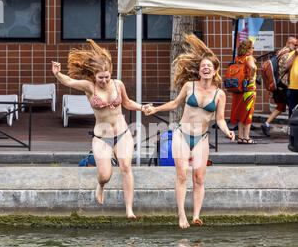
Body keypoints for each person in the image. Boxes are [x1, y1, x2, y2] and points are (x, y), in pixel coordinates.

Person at [144, 34, 235, 229]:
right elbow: (175, 104)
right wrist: (156, 109)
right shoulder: (189, 86)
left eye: (209, 66)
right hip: (182, 135)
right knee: (182, 175)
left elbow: (219, 119)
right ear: (199, 70)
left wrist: (227, 131)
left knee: (199, 177)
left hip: (201, 138)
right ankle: (181, 214)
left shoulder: (219, 94)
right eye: (203, 66)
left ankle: (196, 215)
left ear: (215, 71)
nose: (206, 68)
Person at [51, 39, 146, 220]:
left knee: (126, 167)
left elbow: (127, 103)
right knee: (105, 175)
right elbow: (69, 81)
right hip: (102, 137)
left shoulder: (118, 85)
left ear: (111, 74)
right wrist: (57, 74)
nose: (103, 81)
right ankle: (100, 186)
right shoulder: (89, 87)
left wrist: (142, 107)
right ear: (94, 76)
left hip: (122, 133)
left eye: (107, 77)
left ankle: (129, 210)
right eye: (100, 77)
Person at [261, 36, 297, 136]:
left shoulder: (280, 52)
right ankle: (292, 129)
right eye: (294, 44)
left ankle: (266, 124)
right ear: (289, 43)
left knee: (281, 107)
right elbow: (284, 69)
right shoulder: (287, 54)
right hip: (284, 85)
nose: (295, 46)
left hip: (279, 84)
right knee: (292, 107)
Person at [230, 39, 258, 144]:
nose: (253, 49)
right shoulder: (249, 58)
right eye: (252, 48)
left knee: (240, 113)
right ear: (248, 49)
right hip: (249, 89)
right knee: (248, 112)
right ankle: (247, 137)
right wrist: (251, 77)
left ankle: (240, 137)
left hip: (240, 88)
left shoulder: (238, 58)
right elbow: (253, 67)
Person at [285, 39, 298, 117]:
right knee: (292, 111)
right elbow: (286, 66)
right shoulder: (292, 54)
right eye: (296, 45)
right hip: (292, 87)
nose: (296, 47)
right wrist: (295, 54)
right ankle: (292, 128)